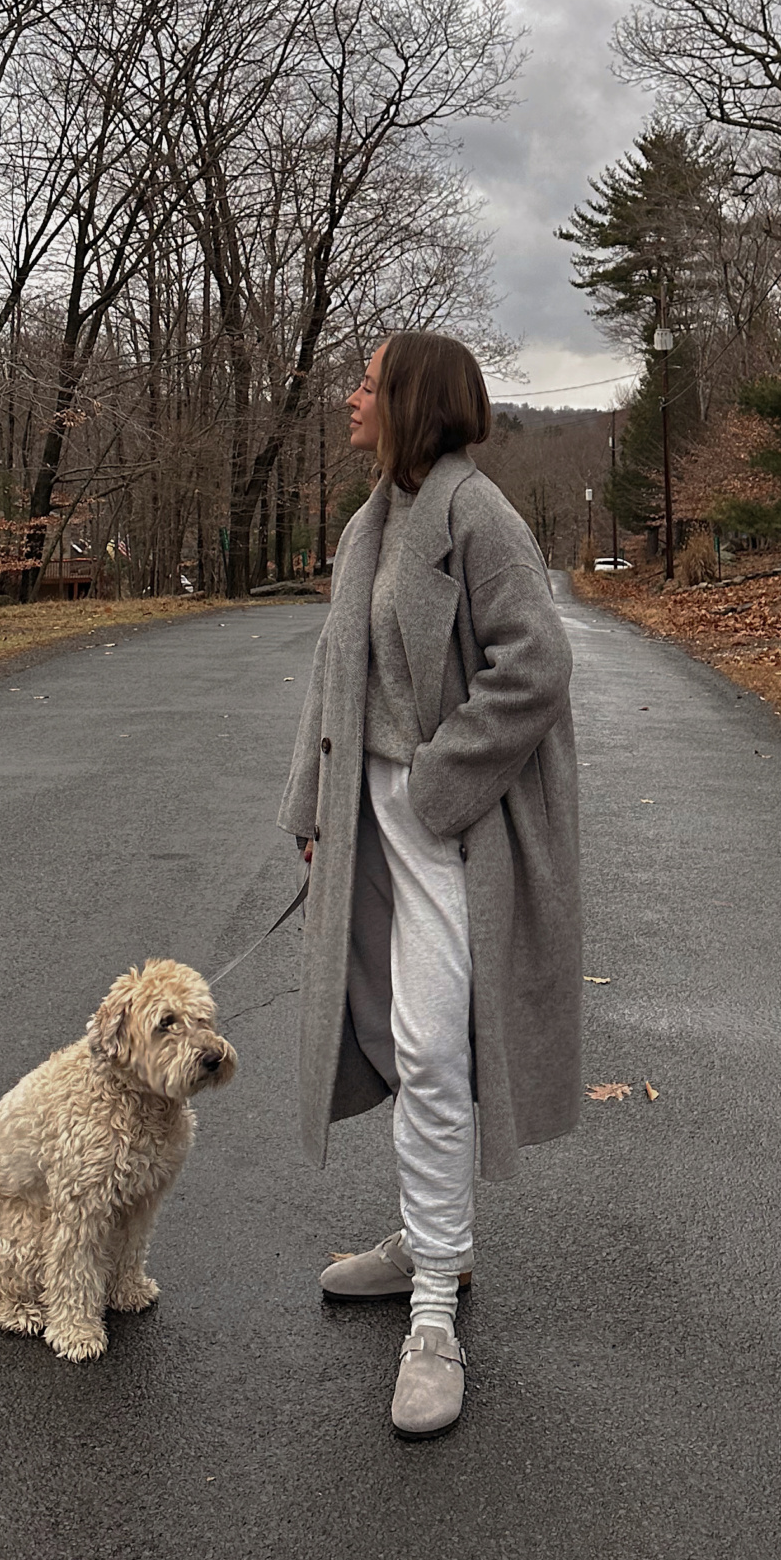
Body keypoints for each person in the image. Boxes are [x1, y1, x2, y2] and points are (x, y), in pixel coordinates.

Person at [278, 329, 582, 1438]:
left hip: (447, 824)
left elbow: (538, 662)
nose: (350, 396)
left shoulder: (476, 513)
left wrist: (435, 786)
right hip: (370, 819)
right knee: (397, 1027)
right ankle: (427, 1232)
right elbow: (335, 671)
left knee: (431, 1042)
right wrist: (314, 808)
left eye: (366, 381)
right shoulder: (375, 519)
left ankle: (437, 1309)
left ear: (413, 400)